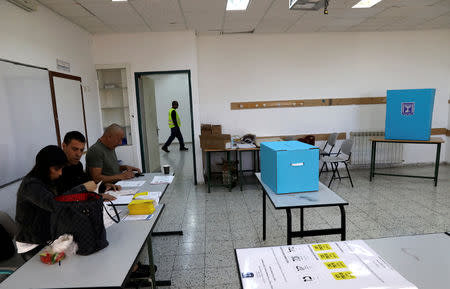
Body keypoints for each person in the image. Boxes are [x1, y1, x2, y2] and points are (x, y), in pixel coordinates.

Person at [15, 145, 96, 260]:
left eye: (61, 169)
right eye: (57, 169)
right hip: (33, 245)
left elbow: (63, 199)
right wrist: (82, 188)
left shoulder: (46, 180)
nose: (60, 173)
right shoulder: (31, 185)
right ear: (44, 167)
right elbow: (55, 204)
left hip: (48, 237)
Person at [58, 131, 117, 201]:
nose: (79, 154)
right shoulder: (57, 168)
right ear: (64, 146)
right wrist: (97, 196)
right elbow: (64, 197)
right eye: (75, 149)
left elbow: (85, 183)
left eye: (81, 150)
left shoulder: (78, 165)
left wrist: (104, 187)